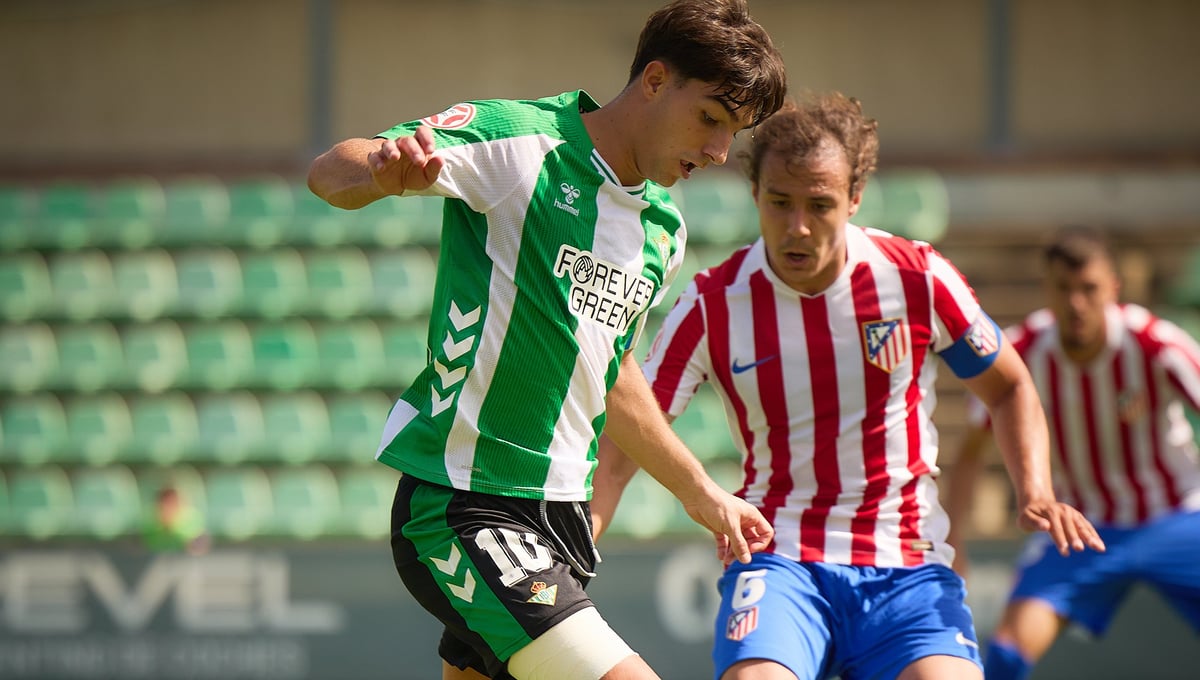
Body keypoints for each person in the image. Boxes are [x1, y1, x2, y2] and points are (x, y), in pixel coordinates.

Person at [306, 1, 788, 678]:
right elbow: (331, 171)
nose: (717, 153)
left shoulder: (661, 230)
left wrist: (701, 492)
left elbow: (611, 372)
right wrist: (383, 171)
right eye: (710, 118)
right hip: (464, 505)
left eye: (733, 133)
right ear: (653, 81)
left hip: (562, 517)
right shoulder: (521, 142)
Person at [590, 92, 1105, 680]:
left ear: (855, 199)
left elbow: (1009, 386)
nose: (798, 227)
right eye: (780, 202)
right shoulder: (712, 303)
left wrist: (1035, 489)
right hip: (779, 558)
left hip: (906, 565)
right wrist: (585, 542)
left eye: (820, 205)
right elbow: (629, 438)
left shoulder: (916, 278)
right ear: (754, 193)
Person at [944, 225, 1200, 680]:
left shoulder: (1157, 344)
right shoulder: (1020, 352)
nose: (1077, 303)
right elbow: (971, 453)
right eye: (1064, 289)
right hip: (1081, 526)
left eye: (1090, 289)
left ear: (1113, 290)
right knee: (1004, 655)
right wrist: (955, 542)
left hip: (1176, 516)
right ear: (1047, 289)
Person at [141, 485, 210, 555]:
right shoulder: (148, 523)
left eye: (172, 503)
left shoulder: (193, 519)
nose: (168, 508)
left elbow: (202, 546)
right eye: (166, 504)